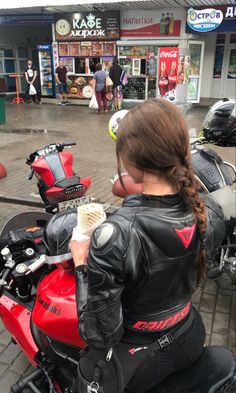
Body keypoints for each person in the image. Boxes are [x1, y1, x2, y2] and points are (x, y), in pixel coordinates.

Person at [70, 99, 221, 393]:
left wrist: (80, 264)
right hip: (190, 333)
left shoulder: (115, 234)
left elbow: (99, 335)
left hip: (142, 357)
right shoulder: (206, 209)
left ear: (132, 158)